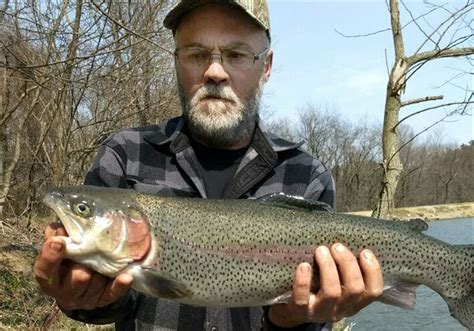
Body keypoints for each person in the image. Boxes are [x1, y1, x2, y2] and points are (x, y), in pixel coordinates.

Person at [34, 1, 384, 330]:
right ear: (175, 61)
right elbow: (110, 304)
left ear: (266, 66)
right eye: (196, 53)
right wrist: (84, 299)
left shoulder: (306, 173)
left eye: (236, 54)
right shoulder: (125, 154)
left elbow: (314, 313)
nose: (214, 71)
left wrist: (293, 321)